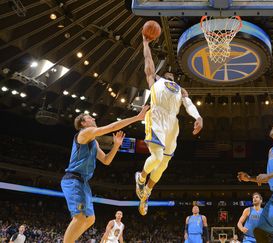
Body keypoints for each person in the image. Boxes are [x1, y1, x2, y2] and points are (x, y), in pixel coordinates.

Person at [135, 33, 203, 216]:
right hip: (156, 115)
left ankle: (147, 192)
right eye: (168, 73)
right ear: (162, 75)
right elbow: (148, 62)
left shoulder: (181, 90)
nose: (171, 74)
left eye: (172, 75)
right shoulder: (155, 81)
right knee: (156, 157)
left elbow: (188, 104)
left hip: (173, 122)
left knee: (163, 164)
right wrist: (145, 44)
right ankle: (140, 178)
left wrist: (198, 117)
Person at [61, 106, 148, 243]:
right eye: (90, 117)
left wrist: (116, 146)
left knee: (90, 219)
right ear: (83, 123)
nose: (93, 118)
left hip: (83, 182)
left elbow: (106, 160)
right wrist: (137, 117)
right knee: (80, 217)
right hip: (73, 179)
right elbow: (111, 127)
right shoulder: (84, 133)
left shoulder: (94, 142)